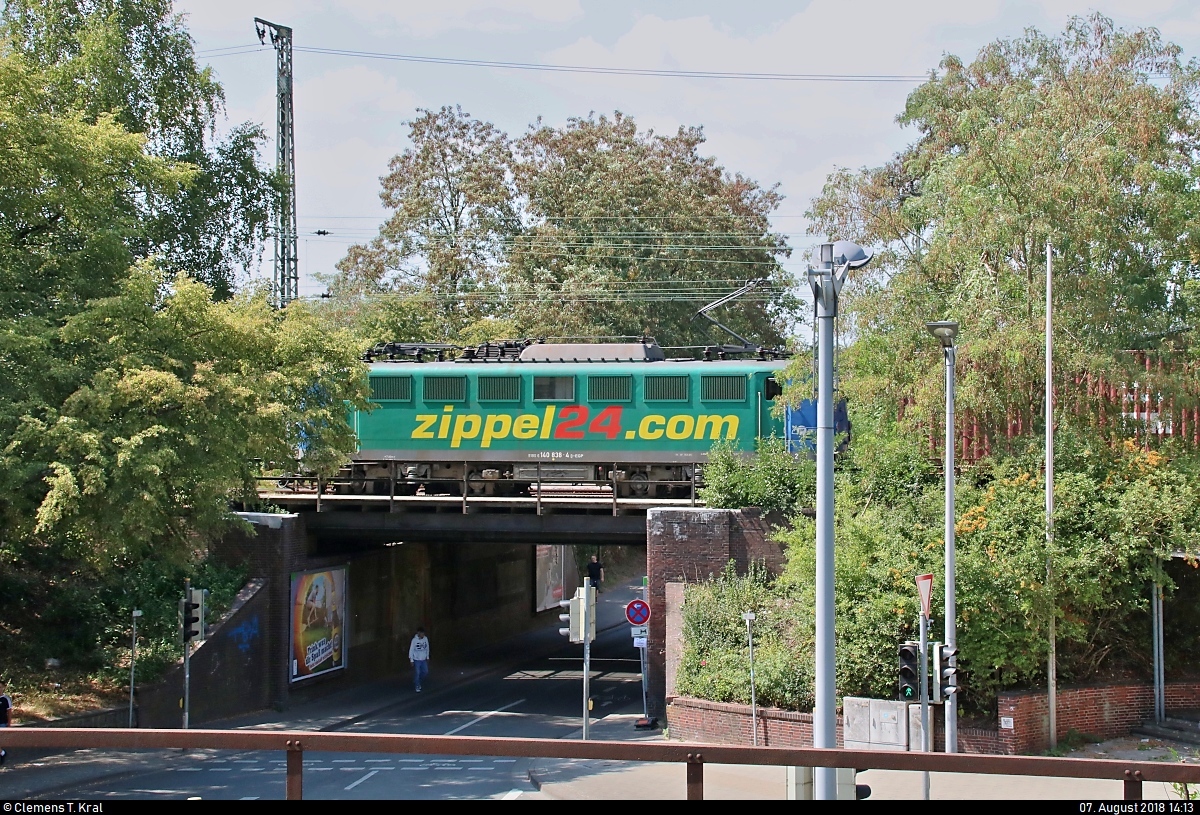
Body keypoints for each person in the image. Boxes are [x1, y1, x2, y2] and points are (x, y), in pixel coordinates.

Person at [408, 628, 430, 692]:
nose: (423, 635)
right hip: (416, 659)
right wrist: (411, 660)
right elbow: (411, 649)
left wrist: (427, 656)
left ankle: (417, 680)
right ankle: (417, 685)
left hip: (423, 659)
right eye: (421, 633)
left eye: (423, 633)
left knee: (425, 672)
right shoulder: (414, 640)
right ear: (418, 633)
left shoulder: (425, 639)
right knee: (417, 672)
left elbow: (427, 648)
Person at [0, 681, 11, 767]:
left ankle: (2, 753)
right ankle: (2, 753)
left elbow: (9, 712)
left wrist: (9, 724)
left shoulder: (6, 699)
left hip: (2, 723)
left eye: (0, 687)